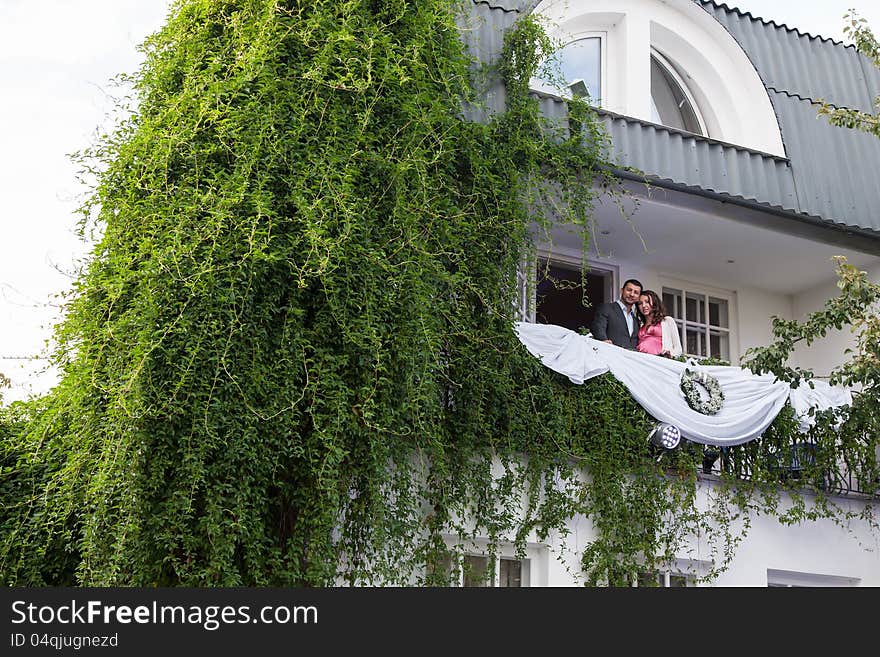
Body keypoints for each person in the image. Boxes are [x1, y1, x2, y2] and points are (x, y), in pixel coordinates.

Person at [590, 279, 642, 350]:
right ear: (622, 290)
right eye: (629, 290)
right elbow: (598, 327)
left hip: (629, 359)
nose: (632, 294)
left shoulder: (636, 320)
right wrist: (603, 341)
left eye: (636, 292)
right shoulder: (607, 308)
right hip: (610, 355)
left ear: (638, 297)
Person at [636, 289, 683, 358]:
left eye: (647, 302)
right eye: (640, 303)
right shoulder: (640, 325)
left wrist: (670, 355)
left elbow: (678, 348)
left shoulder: (667, 321)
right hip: (642, 361)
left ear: (654, 302)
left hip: (659, 362)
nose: (643, 305)